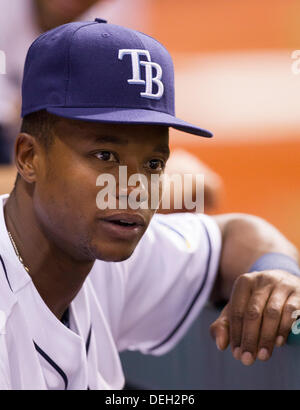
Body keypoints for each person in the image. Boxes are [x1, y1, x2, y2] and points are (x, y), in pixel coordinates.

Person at [0, 19, 299, 390]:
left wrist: (278, 272)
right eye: (105, 154)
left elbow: (237, 235)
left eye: (154, 163)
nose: (135, 187)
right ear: (29, 158)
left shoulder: (97, 247)